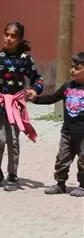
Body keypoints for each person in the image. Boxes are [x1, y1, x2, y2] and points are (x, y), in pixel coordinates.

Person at [0, 22, 44, 191]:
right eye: (6, 34)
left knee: (13, 142)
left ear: (19, 39)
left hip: (15, 107)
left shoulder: (25, 59)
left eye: (13, 36)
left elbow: (37, 78)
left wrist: (34, 90)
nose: (8, 38)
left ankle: (12, 176)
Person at [31, 52, 84, 197]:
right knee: (62, 159)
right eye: (72, 67)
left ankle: (82, 186)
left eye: (77, 68)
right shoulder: (67, 87)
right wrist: (36, 99)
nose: (73, 70)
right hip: (67, 132)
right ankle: (60, 184)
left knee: (83, 161)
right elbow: (53, 98)